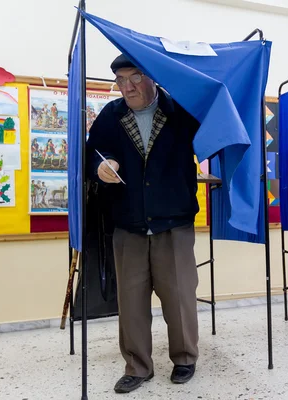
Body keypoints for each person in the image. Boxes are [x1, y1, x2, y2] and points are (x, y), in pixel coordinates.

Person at [86, 54, 201, 394]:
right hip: (128, 222)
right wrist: (100, 168)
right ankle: (138, 366)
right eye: (121, 80)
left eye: (134, 77)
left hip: (174, 221)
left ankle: (184, 358)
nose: (127, 86)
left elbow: (213, 136)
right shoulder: (111, 114)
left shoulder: (180, 111)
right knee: (131, 301)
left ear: (152, 77)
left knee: (180, 296)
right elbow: (93, 153)